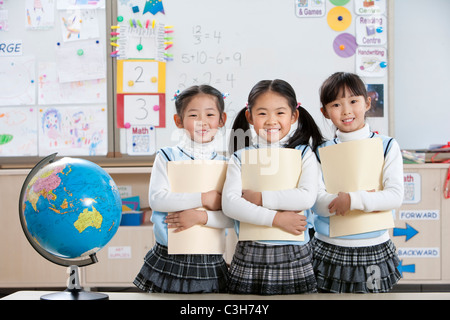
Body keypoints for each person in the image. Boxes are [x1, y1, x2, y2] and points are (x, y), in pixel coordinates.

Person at [222, 79, 324, 295]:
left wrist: (260, 198)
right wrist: (277, 218)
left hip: (294, 251)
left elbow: (306, 198)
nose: (271, 121)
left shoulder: (303, 154)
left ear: (294, 116)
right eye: (262, 113)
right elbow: (230, 205)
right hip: (251, 251)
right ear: (249, 116)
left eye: (280, 113)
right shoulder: (240, 157)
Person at [133, 85, 233, 293]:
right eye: (193, 114)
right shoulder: (167, 156)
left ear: (221, 119)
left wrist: (200, 217)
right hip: (169, 255)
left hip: (210, 257)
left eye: (210, 114)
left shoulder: (226, 163)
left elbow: (231, 217)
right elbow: (157, 200)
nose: (202, 121)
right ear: (178, 121)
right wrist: (204, 198)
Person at [312, 72, 403, 293]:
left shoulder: (387, 146)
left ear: (367, 102)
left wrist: (351, 199)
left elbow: (394, 196)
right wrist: (366, 199)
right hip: (328, 248)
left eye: (353, 101)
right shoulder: (320, 151)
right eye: (336, 104)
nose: (346, 111)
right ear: (324, 111)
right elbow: (316, 201)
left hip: (374, 248)